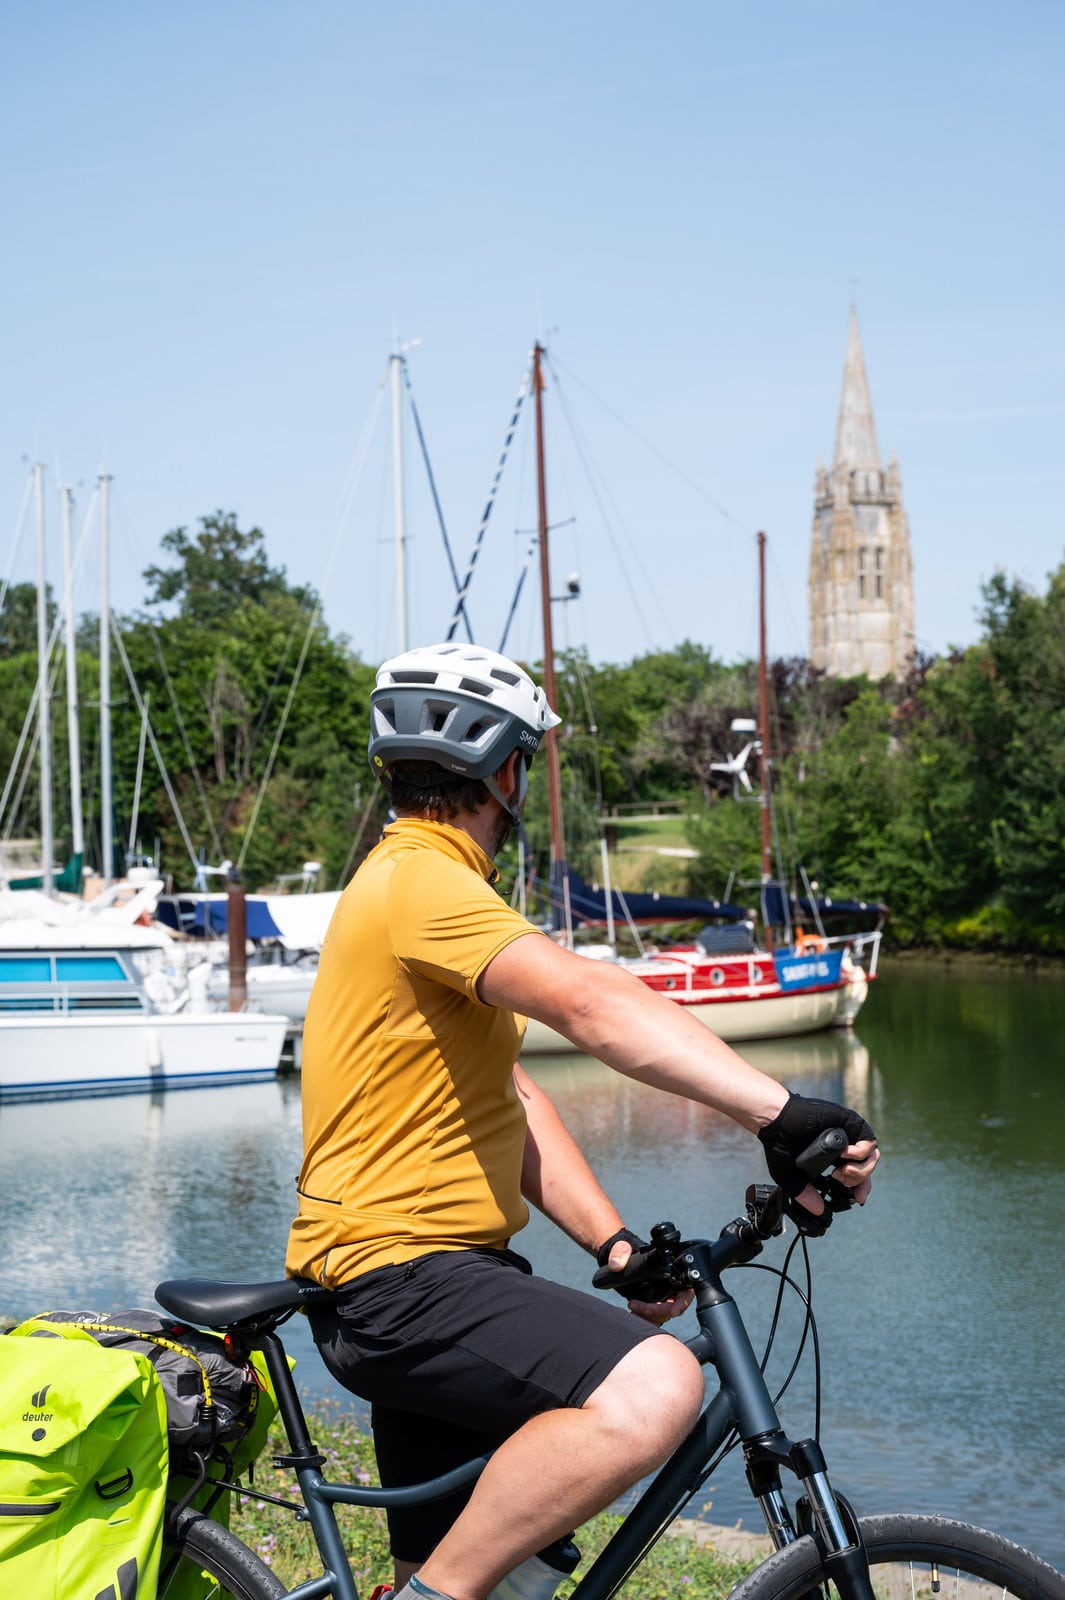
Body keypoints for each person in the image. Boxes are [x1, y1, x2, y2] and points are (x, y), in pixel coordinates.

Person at [286, 642, 878, 1600]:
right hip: (404, 1281)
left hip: (429, 1281)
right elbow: (593, 1005)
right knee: (655, 1387)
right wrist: (781, 1111)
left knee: (510, 1583)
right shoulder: (423, 884)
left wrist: (612, 1247)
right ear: (503, 769)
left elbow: (511, 1099)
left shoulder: (410, 887)